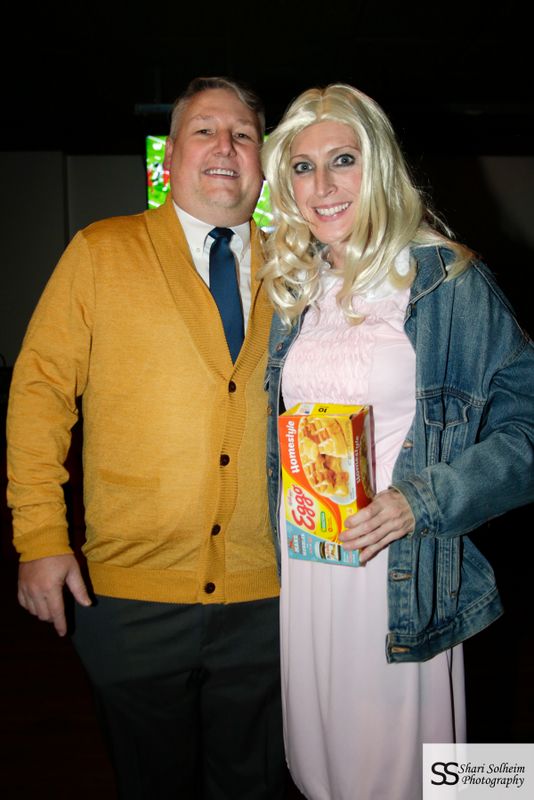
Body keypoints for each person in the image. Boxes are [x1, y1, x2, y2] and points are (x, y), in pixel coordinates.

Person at [7, 76, 286, 799]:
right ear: (170, 157)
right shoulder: (102, 251)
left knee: (253, 785)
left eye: (244, 134)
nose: (225, 146)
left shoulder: (300, 266)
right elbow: (40, 392)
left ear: (263, 162)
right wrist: (40, 537)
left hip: (271, 595)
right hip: (128, 595)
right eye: (204, 130)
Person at [260, 83, 534, 800]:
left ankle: (503, 787)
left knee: (408, 774)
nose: (323, 186)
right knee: (321, 766)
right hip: (311, 570)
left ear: (379, 165)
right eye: (302, 167)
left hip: (400, 574)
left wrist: (423, 499)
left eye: (343, 160)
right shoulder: (293, 291)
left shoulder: (446, 281)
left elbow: (529, 426)